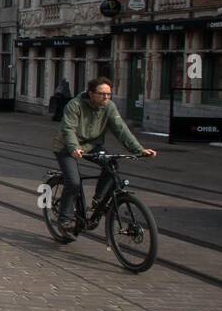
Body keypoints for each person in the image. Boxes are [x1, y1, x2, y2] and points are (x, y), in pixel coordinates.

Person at [52, 76, 157, 234]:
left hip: (92, 145)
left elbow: (121, 129)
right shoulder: (74, 105)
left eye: (109, 94)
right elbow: (69, 129)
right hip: (67, 147)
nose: (106, 97)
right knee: (73, 182)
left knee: (112, 166)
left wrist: (139, 150)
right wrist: (74, 148)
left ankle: (98, 200)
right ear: (91, 93)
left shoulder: (109, 107)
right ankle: (64, 220)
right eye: (102, 94)